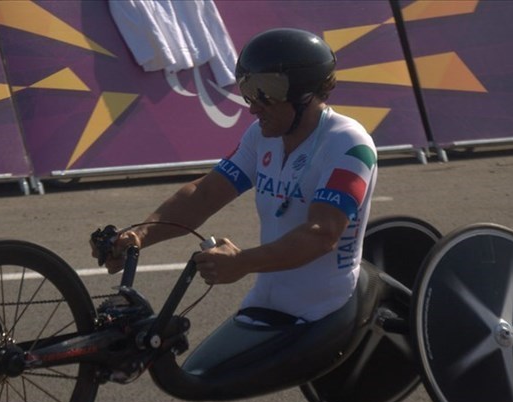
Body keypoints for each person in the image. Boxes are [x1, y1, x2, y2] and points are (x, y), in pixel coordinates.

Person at [101, 27, 378, 329]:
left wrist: (242, 262)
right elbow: (204, 195)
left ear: (304, 94)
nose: (252, 107)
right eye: (247, 92)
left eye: (264, 94)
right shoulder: (263, 136)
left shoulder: (348, 143)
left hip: (321, 308)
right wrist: (140, 235)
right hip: (265, 299)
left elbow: (323, 235)